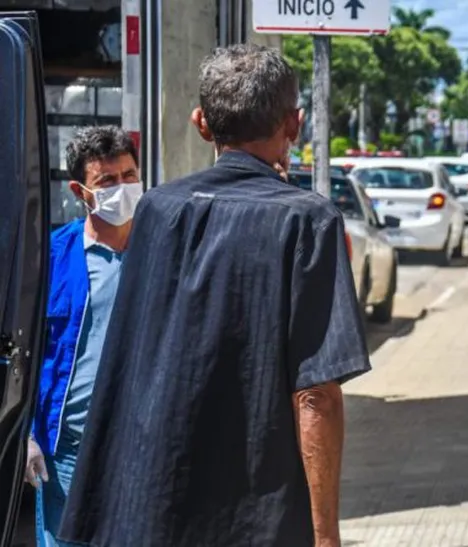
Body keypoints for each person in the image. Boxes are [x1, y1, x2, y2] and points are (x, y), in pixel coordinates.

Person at [57, 44, 371, 547]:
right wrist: (326, 536)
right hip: (259, 520)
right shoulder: (308, 220)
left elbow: (125, 366)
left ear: (202, 124)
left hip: (151, 507)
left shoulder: (157, 210)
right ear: (293, 125)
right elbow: (315, 394)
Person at [24, 126, 141, 547]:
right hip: (70, 451)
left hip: (143, 447)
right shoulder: (52, 258)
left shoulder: (161, 252)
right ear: (80, 190)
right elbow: (24, 351)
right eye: (107, 181)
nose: (122, 188)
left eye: (129, 175)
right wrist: (28, 436)